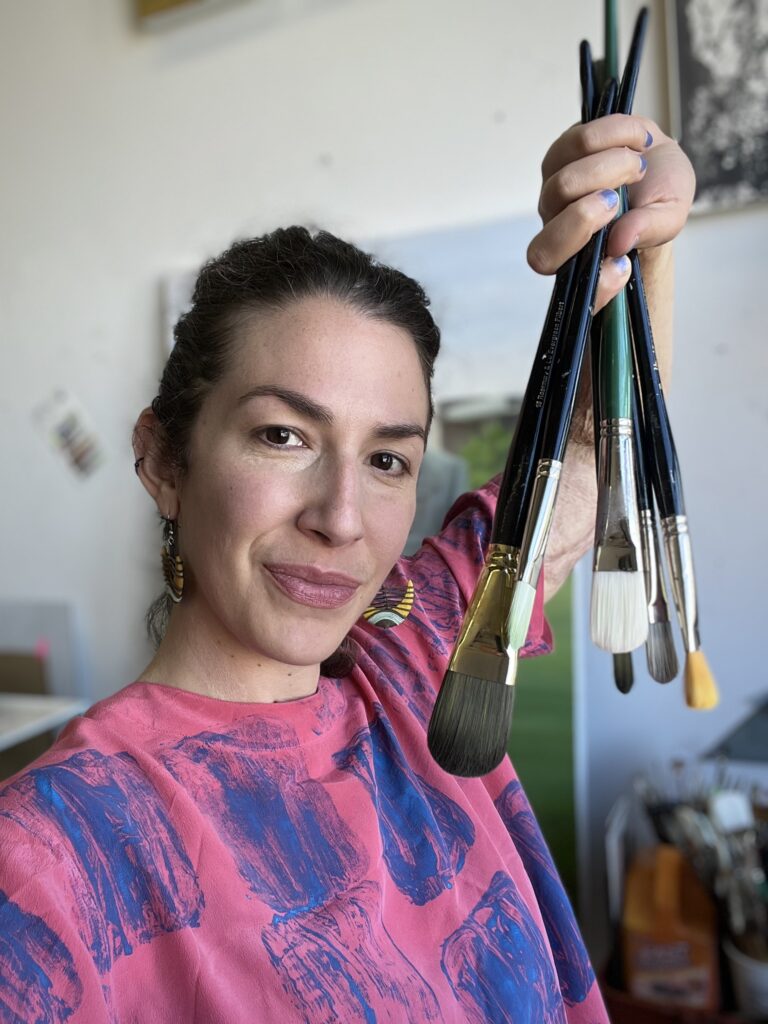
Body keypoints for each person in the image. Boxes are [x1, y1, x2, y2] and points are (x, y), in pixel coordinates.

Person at [0, 113, 694, 1023]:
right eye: (283, 436)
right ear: (165, 460)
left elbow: (591, 457)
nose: (341, 521)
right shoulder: (47, 858)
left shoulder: (422, 649)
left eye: (387, 460)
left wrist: (646, 243)